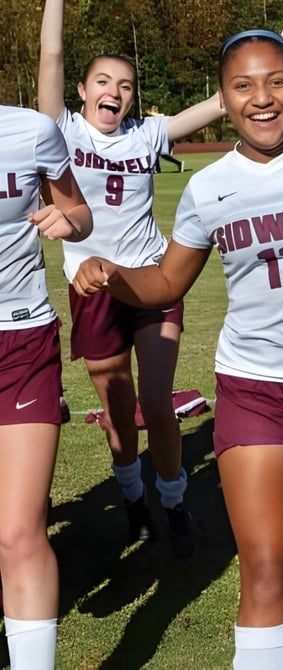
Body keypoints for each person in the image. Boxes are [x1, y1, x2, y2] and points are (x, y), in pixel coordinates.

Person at [71, 29, 283, 669]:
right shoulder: (208, 188)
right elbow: (166, 282)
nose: (261, 98)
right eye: (243, 85)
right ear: (224, 95)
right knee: (264, 571)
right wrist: (114, 272)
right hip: (253, 387)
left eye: (276, 82)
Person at [38, 0, 283, 557]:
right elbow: (51, 54)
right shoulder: (60, 130)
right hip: (94, 289)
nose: (117, 92)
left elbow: (217, 101)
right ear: (83, 92)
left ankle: (174, 498)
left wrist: (272, 52)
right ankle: (134, 497)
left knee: (157, 404)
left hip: (153, 283)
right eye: (104, 82)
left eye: (128, 85)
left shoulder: (147, 134)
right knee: (117, 417)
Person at [1, 104, 92, 669]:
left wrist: (69, 222)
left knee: (19, 531)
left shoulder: (31, 130)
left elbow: (78, 211)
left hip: (23, 342)